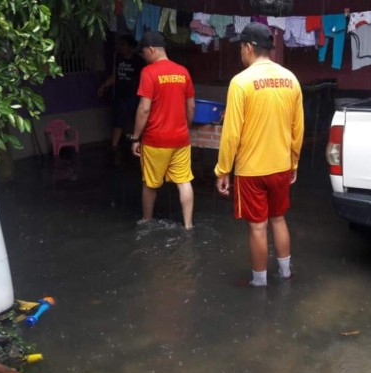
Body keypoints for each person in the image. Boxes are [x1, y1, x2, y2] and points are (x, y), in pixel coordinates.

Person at [214, 23, 304, 287]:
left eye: (241, 47)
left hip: (251, 171)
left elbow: (231, 134)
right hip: (281, 166)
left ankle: (259, 283)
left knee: (257, 226)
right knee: (278, 218)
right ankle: (286, 273)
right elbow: (298, 128)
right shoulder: (291, 79)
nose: (240, 52)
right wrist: (294, 162)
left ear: (249, 48)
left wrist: (222, 170)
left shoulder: (240, 83)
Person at [130, 32, 196, 230]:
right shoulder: (183, 71)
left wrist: (135, 138)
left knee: (150, 184)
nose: (143, 58)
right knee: (184, 182)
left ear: (151, 49)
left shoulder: (149, 72)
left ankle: (147, 220)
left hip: (155, 140)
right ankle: (188, 224)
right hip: (181, 139)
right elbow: (191, 106)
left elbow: (144, 108)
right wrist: (186, 127)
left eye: (143, 53)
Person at [98, 35, 145, 162]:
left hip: (134, 96)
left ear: (131, 47)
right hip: (120, 95)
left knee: (137, 121)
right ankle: (114, 148)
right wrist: (103, 86)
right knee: (118, 122)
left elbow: (144, 79)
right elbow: (115, 76)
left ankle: (141, 146)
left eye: (123, 45)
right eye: (120, 45)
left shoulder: (139, 61)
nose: (120, 47)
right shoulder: (118, 58)